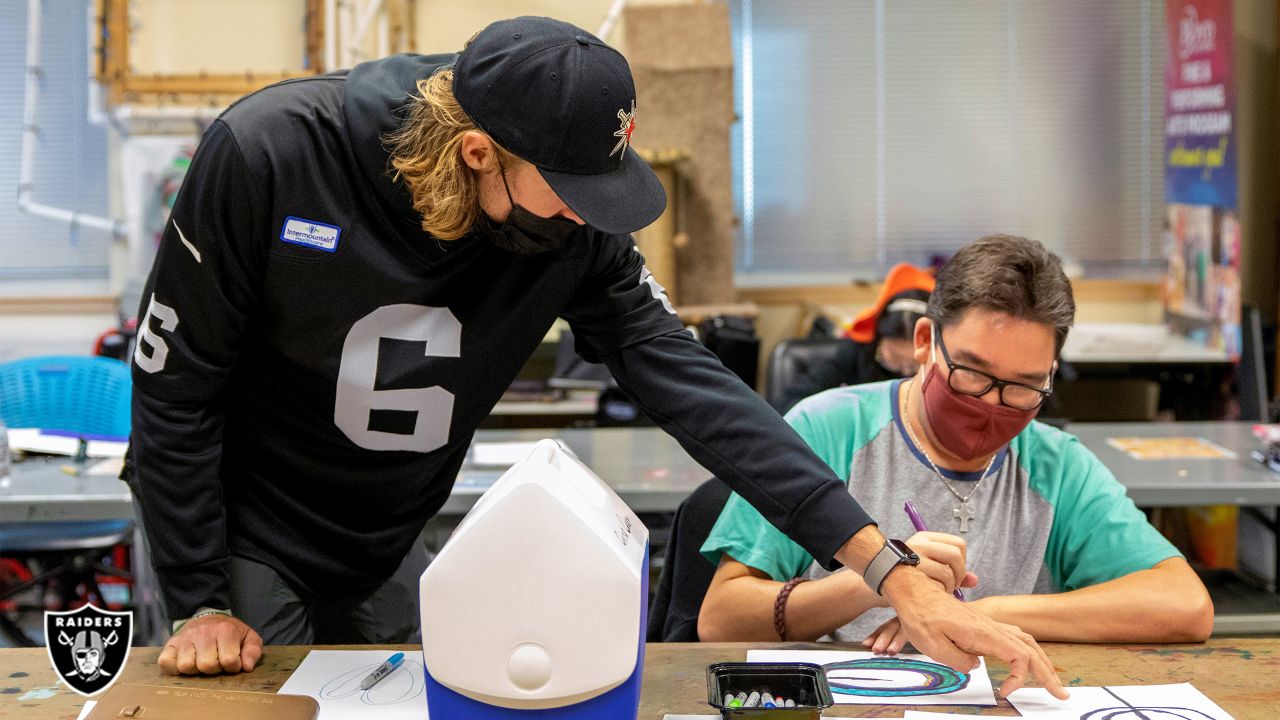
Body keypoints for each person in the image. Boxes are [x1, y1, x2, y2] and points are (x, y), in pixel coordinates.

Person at [127, 17, 1065, 696]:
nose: (588, 215)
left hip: (383, 540)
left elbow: (695, 389)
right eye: (570, 191)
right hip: (238, 533)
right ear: (476, 153)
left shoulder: (568, 229)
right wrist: (202, 597)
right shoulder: (269, 156)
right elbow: (174, 394)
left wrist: (887, 568)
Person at [698, 235, 1214, 647]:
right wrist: (879, 579)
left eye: (1024, 386)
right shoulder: (829, 430)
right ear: (925, 342)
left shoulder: (1056, 467)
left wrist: (986, 614)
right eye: (972, 373)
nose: (991, 404)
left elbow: (1185, 605)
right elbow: (721, 621)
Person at [776, 263, 933, 414]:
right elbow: (791, 404)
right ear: (879, 338)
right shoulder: (853, 354)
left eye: (915, 363)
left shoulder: (938, 370)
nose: (906, 371)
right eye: (896, 357)